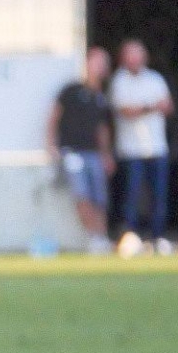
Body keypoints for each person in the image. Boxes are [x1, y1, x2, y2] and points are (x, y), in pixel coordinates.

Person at [48, 46, 116, 255]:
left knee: (100, 198)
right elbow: (54, 118)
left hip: (94, 153)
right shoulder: (71, 90)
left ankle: (102, 237)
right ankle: (93, 238)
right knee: (82, 195)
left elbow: (102, 129)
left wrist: (106, 154)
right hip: (73, 153)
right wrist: (51, 145)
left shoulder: (101, 97)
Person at [110, 38, 172, 256]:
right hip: (131, 151)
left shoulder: (155, 79)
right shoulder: (119, 81)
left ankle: (157, 238)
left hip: (157, 148)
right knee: (131, 197)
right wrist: (152, 106)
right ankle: (130, 238)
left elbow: (168, 106)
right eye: (130, 55)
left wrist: (143, 108)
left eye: (138, 55)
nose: (135, 59)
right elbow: (126, 111)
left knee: (159, 198)